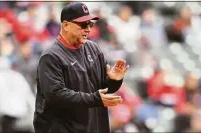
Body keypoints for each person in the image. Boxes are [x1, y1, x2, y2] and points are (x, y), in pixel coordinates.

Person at [33, 2, 129, 133]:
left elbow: (102, 91)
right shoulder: (51, 56)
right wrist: (94, 99)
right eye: (83, 25)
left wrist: (113, 81)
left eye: (90, 24)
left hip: (92, 126)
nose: (88, 29)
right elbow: (55, 95)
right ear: (66, 25)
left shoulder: (93, 49)